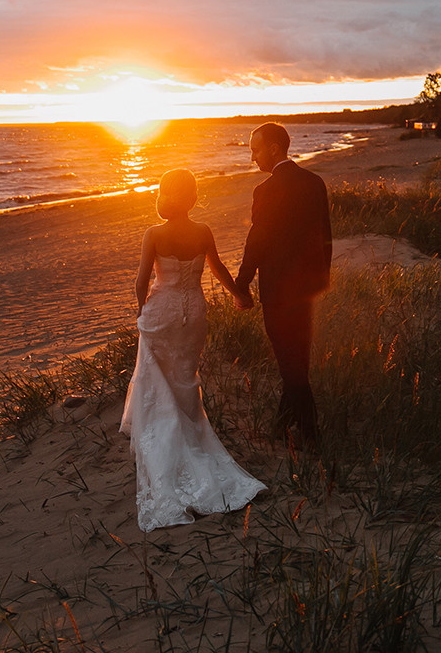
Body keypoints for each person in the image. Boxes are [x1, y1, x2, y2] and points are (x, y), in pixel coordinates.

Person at [121, 168, 266, 532]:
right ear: (193, 197)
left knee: (156, 377)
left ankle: (166, 443)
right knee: (186, 376)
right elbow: (218, 269)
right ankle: (190, 433)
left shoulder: (154, 233)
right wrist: (239, 294)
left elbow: (141, 280)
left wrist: (140, 309)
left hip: (162, 311)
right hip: (194, 312)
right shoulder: (202, 231)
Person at [232, 122, 332, 447]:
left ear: (274, 149)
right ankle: (282, 425)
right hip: (306, 289)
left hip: (277, 292)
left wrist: (241, 283)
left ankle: (311, 435)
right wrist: (321, 279)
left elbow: (257, 242)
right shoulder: (314, 182)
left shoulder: (265, 190)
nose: (253, 157)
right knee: (296, 360)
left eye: (256, 150)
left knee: (291, 365)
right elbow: (326, 236)